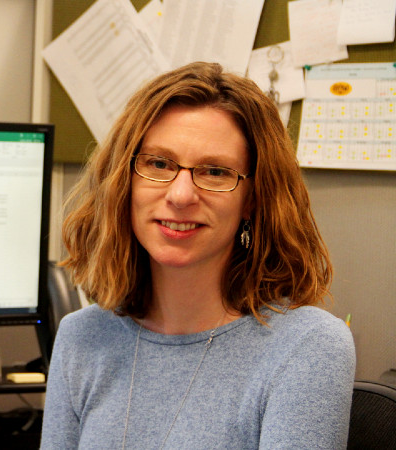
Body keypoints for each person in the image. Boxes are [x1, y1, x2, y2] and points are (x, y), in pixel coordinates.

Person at [40, 62, 356, 449]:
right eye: (158, 164)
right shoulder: (83, 337)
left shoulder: (307, 347)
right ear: (126, 180)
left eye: (215, 172)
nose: (180, 195)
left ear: (253, 198)